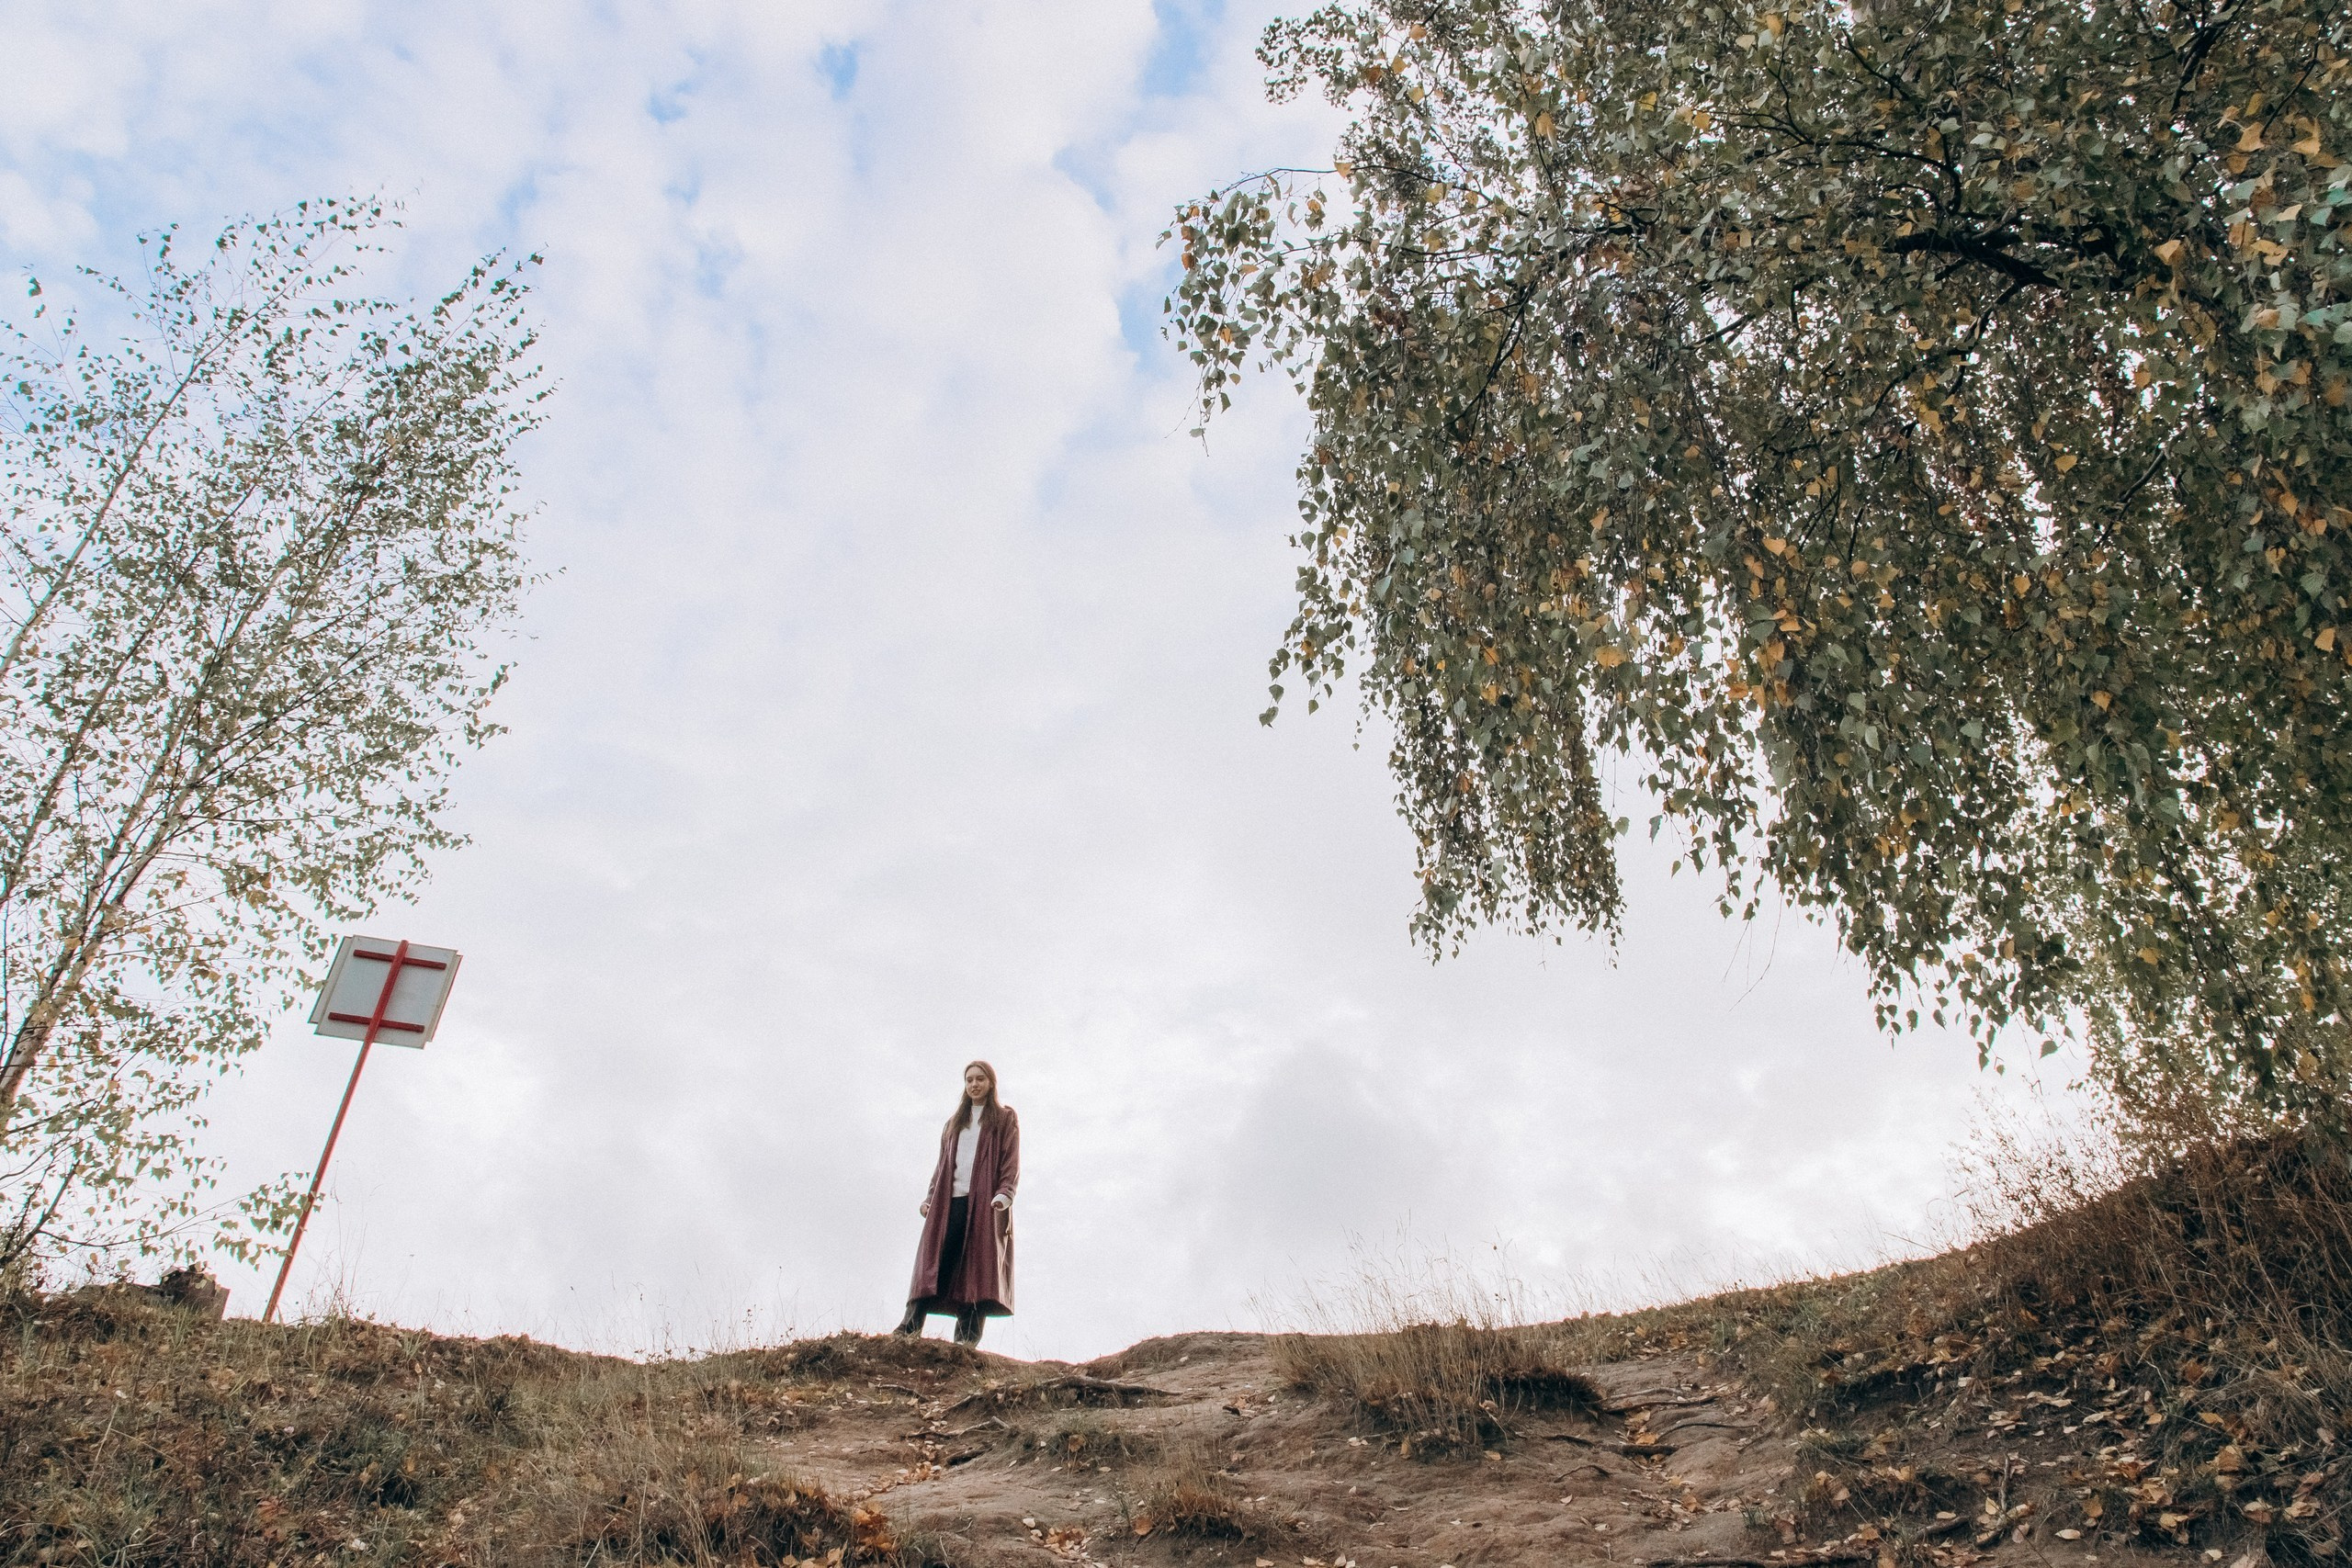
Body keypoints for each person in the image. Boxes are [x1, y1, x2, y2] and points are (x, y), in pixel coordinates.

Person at [894, 1060, 1019, 1346]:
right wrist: (930, 1197)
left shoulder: (1003, 1118)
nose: (974, 1085)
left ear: (990, 1083)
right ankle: (909, 1326)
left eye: (980, 1079)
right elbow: (941, 1166)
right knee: (933, 1260)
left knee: (976, 1266)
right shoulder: (954, 1123)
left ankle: (966, 1339)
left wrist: (1005, 1193)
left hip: (985, 1203)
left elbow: (1011, 1160)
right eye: (969, 1080)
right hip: (949, 1203)